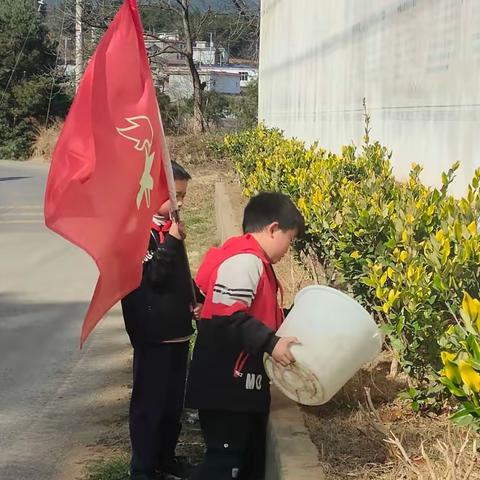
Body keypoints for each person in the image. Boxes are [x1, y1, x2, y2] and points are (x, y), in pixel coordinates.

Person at [186, 192, 305, 480]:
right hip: (226, 390)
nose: (288, 250)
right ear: (273, 228)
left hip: (241, 391)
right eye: (289, 239)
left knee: (244, 461)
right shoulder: (245, 263)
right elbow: (229, 316)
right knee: (224, 465)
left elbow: (259, 315)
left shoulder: (254, 262)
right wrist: (271, 343)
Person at [121, 161, 203, 480]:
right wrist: (170, 240)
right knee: (149, 406)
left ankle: (165, 458)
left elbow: (180, 276)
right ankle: (142, 467)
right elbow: (153, 276)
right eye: (176, 196)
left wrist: (197, 299)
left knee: (172, 405)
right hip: (152, 335)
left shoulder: (171, 228)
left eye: (183, 197)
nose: (180, 203)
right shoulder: (136, 230)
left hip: (178, 332)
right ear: (155, 191)